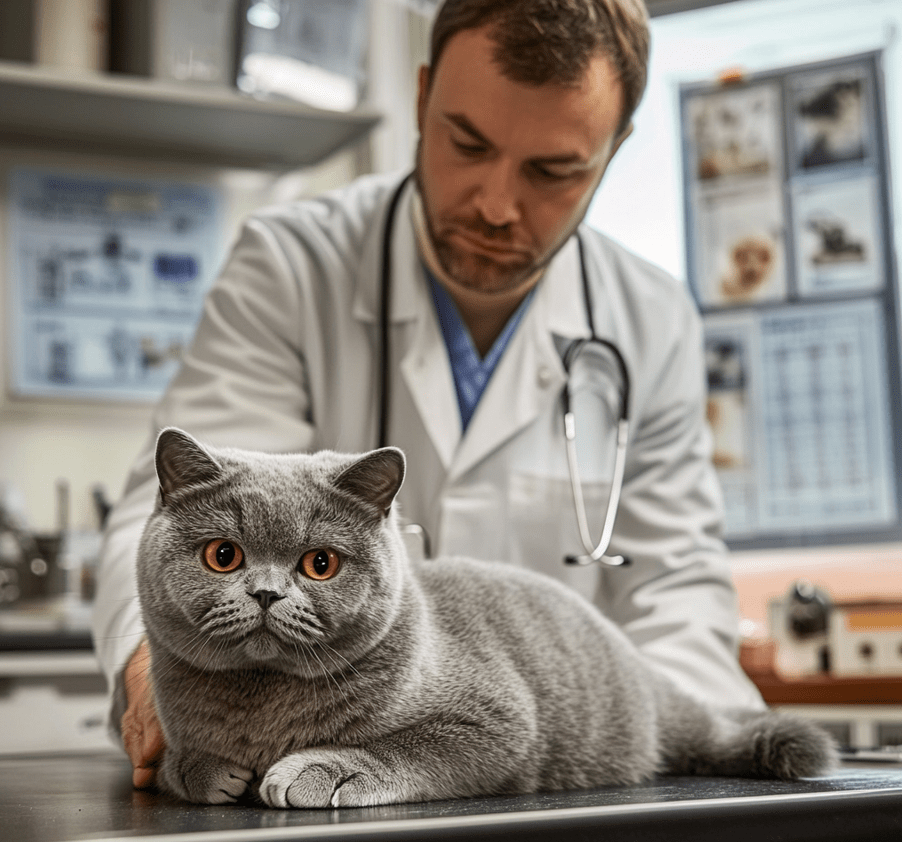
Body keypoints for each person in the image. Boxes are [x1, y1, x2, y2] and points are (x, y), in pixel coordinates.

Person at [93, 0, 764, 791]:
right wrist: (163, 677)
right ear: (421, 100)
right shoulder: (292, 266)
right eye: (467, 143)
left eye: (553, 170)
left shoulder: (650, 318)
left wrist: (685, 783)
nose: (495, 204)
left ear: (614, 152)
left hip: (553, 791)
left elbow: (674, 593)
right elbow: (181, 507)